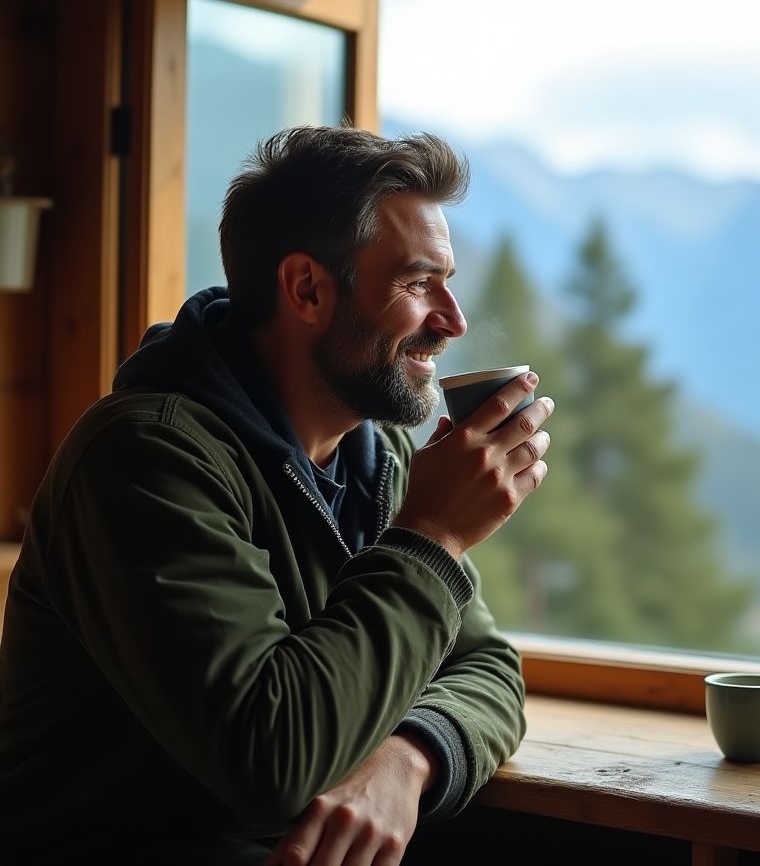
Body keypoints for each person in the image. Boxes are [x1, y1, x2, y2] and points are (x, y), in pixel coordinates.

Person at [0, 126, 553, 865]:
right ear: (307, 289)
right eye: (419, 283)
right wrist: (434, 538)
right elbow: (273, 759)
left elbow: (486, 670)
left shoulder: (379, 454)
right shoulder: (146, 460)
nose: (451, 320)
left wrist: (408, 758)